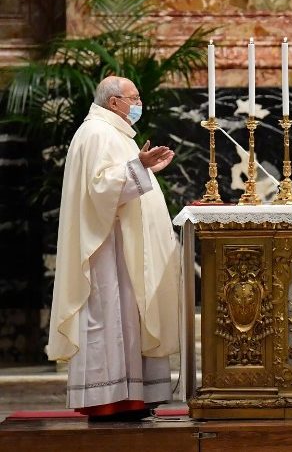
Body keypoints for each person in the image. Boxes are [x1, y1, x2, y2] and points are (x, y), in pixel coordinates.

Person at [47, 75, 180, 421]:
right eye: (133, 98)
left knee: (129, 323)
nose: (138, 104)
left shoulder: (114, 132)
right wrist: (140, 168)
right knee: (111, 322)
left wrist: (145, 168)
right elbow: (100, 189)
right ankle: (110, 400)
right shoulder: (95, 134)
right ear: (113, 102)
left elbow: (120, 179)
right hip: (108, 253)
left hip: (124, 250)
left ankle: (135, 396)